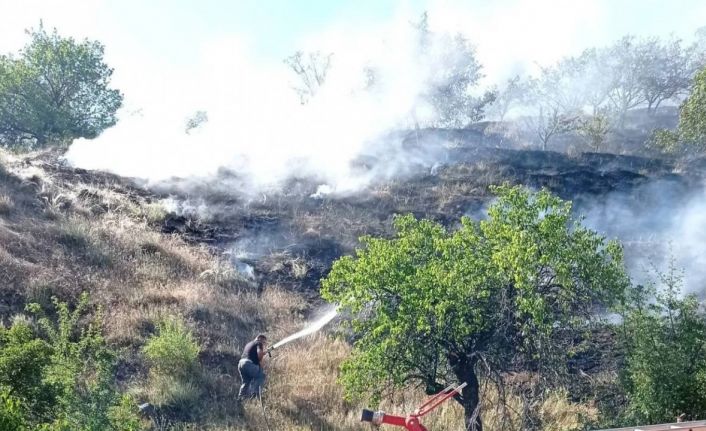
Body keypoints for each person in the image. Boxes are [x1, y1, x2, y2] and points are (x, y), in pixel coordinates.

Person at [238, 334, 268, 401]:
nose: (264, 344)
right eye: (264, 342)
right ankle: (256, 394)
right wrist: (261, 355)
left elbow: (252, 354)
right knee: (261, 376)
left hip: (241, 363)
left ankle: (240, 398)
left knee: (246, 382)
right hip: (249, 363)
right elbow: (259, 354)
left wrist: (262, 354)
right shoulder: (259, 343)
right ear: (260, 338)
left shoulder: (249, 344)